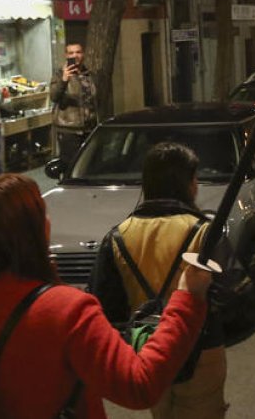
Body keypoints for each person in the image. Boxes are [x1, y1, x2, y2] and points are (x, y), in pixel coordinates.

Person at [0, 174, 210, 417]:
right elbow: (139, 385)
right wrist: (186, 297)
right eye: (42, 215)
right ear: (32, 232)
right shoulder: (66, 310)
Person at [90, 143, 238, 418]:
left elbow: (105, 307)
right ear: (188, 184)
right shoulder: (204, 233)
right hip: (202, 350)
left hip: (148, 349)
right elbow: (229, 295)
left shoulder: (119, 236)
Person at [50, 42, 98, 164]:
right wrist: (64, 80)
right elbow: (54, 96)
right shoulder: (59, 74)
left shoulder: (88, 74)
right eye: (71, 53)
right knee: (71, 165)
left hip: (89, 128)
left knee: (88, 164)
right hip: (70, 129)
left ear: (83, 54)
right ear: (66, 56)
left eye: (78, 52)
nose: (75, 55)